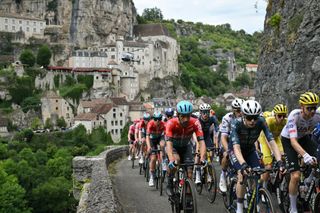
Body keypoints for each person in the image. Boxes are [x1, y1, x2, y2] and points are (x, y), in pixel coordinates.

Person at [229, 100, 284, 213]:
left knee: (258, 174)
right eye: (249, 118)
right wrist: (243, 164)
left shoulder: (261, 121)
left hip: (250, 150)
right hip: (236, 150)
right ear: (244, 115)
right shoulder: (236, 123)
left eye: (255, 117)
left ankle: (252, 196)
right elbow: (236, 147)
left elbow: (271, 141)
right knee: (242, 174)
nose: (253, 121)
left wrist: (279, 161)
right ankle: (239, 207)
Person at [281, 92, 320, 213]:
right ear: (302, 106)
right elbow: (293, 141)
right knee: (296, 175)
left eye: (314, 107)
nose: (312, 111)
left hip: (303, 138)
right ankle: (293, 207)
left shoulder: (317, 115)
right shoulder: (295, 115)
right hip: (289, 140)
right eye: (309, 108)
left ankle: (309, 180)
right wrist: (306, 156)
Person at [165, 100, 207, 196]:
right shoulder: (171, 123)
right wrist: (171, 160)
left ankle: (188, 198)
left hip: (185, 147)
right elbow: (169, 144)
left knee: (190, 173)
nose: (186, 119)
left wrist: (203, 158)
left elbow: (202, 142)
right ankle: (170, 182)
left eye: (188, 116)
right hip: (174, 147)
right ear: (178, 115)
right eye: (183, 116)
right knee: (177, 161)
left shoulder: (195, 122)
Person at [218, 98, 244, 193]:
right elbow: (223, 137)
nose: (240, 112)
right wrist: (228, 150)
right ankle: (223, 175)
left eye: (241, 110)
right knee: (226, 155)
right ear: (233, 110)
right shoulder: (227, 118)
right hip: (228, 140)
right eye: (238, 110)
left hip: (239, 141)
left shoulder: (246, 118)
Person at [259, 104, 287, 187]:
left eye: (284, 116)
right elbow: (268, 139)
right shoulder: (269, 121)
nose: (282, 118)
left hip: (276, 139)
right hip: (265, 140)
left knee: (283, 158)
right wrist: (272, 151)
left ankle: (279, 181)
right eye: (279, 116)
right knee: (268, 166)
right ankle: (264, 186)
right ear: (274, 115)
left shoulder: (286, 121)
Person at [194, 103, 219, 184]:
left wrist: (217, 142)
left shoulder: (212, 118)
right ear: (200, 112)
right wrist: (197, 143)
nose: (205, 114)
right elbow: (194, 133)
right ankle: (197, 174)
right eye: (203, 112)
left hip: (207, 136)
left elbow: (217, 130)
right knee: (199, 154)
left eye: (207, 112)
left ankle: (208, 169)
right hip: (198, 136)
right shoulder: (197, 120)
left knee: (211, 154)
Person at [146, 111, 166, 187]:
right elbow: (147, 137)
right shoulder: (150, 124)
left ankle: (163, 160)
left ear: (161, 119)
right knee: (153, 158)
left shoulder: (163, 124)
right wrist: (148, 147)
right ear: (153, 119)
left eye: (159, 119)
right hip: (152, 140)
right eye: (155, 119)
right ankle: (151, 176)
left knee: (162, 144)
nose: (157, 121)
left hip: (160, 138)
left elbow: (167, 136)